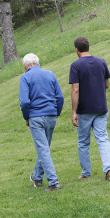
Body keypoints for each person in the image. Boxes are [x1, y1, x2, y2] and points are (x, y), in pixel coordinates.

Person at [69, 36, 110, 181]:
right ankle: (109, 169)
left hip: (85, 109)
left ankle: (86, 173)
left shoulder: (76, 65)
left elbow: (75, 90)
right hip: (101, 107)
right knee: (103, 138)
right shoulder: (101, 62)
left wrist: (73, 111)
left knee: (83, 141)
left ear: (77, 50)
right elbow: (107, 84)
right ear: (88, 47)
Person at [19, 53, 64, 191]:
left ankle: (54, 183)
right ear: (38, 63)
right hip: (51, 115)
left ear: (26, 65)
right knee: (44, 148)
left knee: (43, 150)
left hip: (36, 117)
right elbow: (60, 97)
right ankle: (37, 178)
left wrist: (26, 117)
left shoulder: (25, 77)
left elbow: (25, 102)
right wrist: (56, 113)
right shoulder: (50, 74)